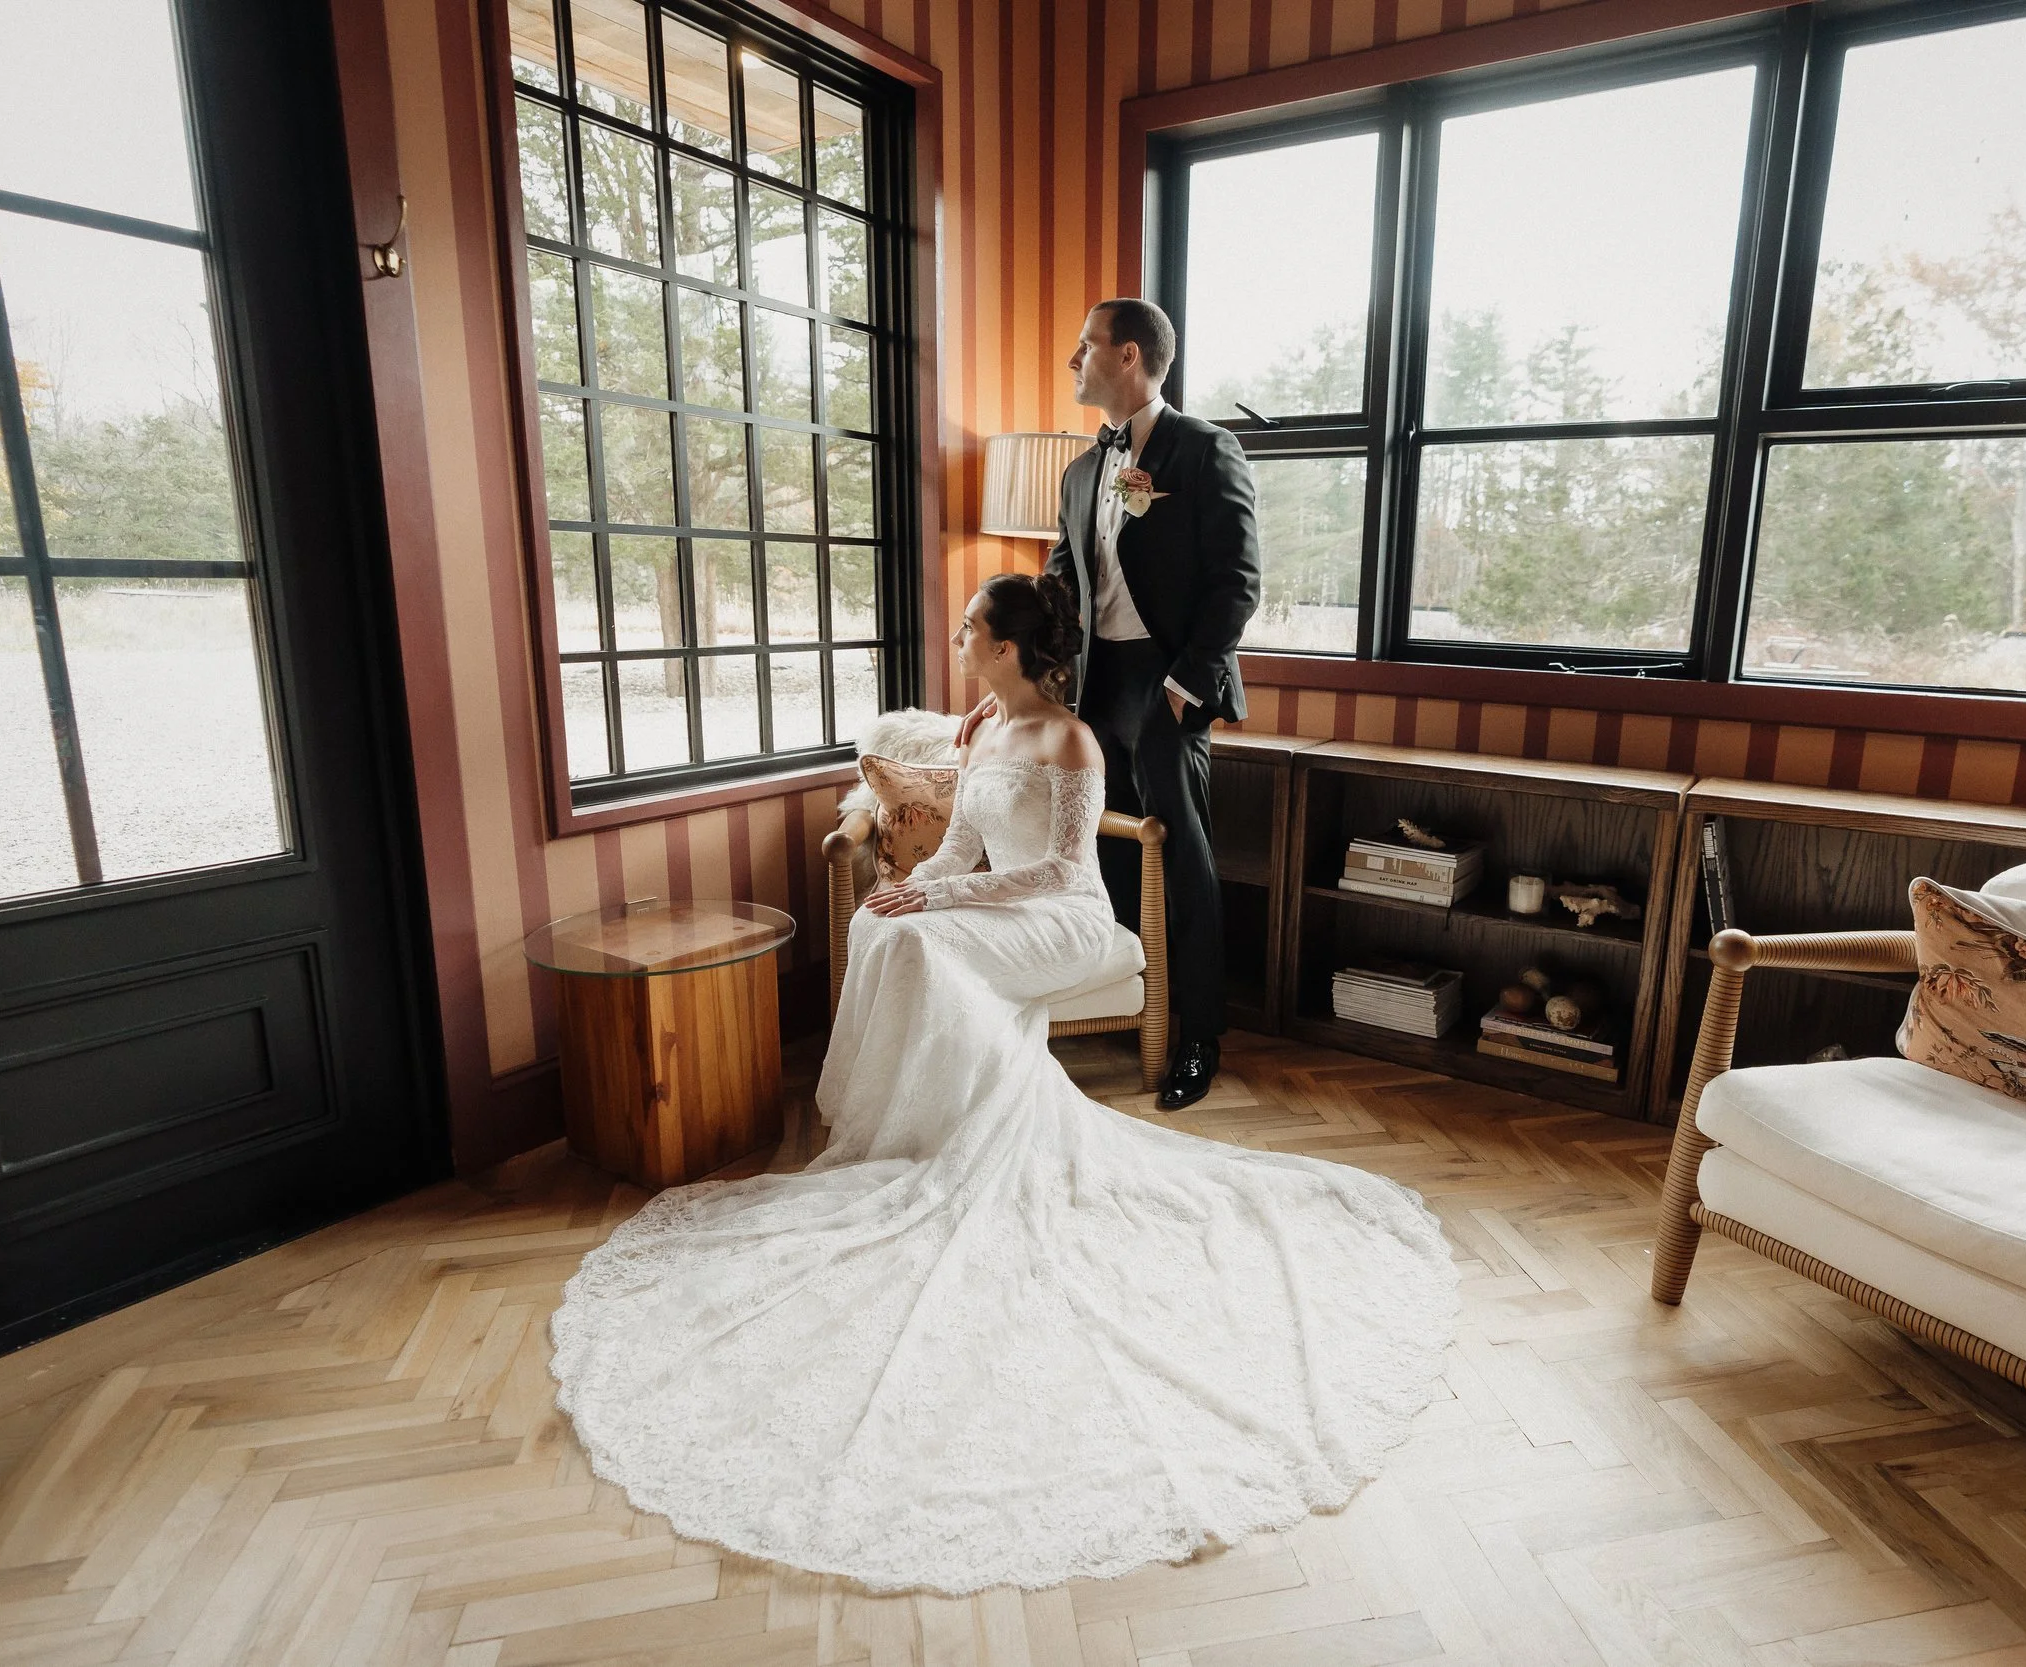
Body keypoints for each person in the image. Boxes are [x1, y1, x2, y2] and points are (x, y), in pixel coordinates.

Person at [550, 573, 1457, 1597]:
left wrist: (943, 896)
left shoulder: (1071, 741)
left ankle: (971, 1132)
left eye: (973, 630)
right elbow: (959, 845)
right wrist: (918, 886)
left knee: (922, 944)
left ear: (1017, 647)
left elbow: (1064, 868)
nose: (959, 638)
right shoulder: (978, 731)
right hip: (993, 901)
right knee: (880, 929)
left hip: (1063, 920)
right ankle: (917, 1128)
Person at [961, 298, 1261, 1111]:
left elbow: (1238, 584)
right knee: (1107, 849)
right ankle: (1135, 1004)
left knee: (1181, 858)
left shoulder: (1205, 451)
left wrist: (1180, 685)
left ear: (1128, 356)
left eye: (1084, 347)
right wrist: (1014, 694)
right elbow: (1056, 590)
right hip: (1092, 688)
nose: (1073, 360)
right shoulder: (1081, 469)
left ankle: (1196, 1035)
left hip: (1166, 689)